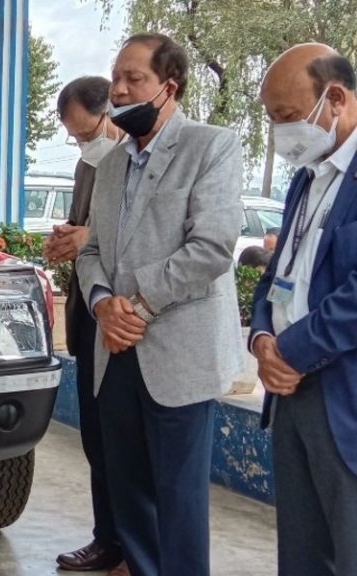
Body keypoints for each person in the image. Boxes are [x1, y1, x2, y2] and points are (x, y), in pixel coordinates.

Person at [76, 33, 243, 576]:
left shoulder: (211, 146)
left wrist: (137, 307)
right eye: (116, 77)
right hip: (116, 347)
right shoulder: (111, 163)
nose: (119, 90)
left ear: (168, 87)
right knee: (127, 489)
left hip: (175, 350)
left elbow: (212, 246)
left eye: (134, 79)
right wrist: (103, 304)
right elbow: (93, 250)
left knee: (177, 494)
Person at [252, 43, 357, 575]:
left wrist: (290, 350)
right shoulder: (307, 177)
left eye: (288, 117)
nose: (279, 133)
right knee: (301, 551)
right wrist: (262, 337)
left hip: (344, 399)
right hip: (288, 392)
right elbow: (277, 273)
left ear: (334, 98)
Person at [45, 75, 129, 576]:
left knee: (125, 445)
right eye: (75, 137)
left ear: (110, 114)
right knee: (96, 441)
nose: (83, 144)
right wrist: (65, 242)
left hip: (127, 322)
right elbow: (83, 234)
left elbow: (145, 235)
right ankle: (107, 540)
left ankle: (131, 546)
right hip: (88, 319)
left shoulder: (142, 164)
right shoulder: (86, 167)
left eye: (86, 133)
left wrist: (88, 238)